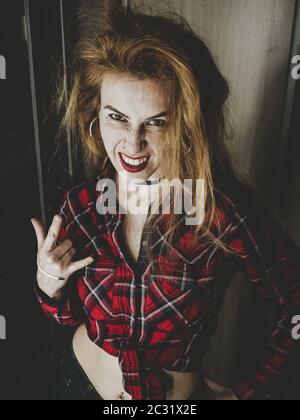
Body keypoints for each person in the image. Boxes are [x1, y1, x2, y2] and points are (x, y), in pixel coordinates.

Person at [31, 4, 300, 401]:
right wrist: (47, 286)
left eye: (156, 121)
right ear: (95, 113)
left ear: (187, 122)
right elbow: (71, 317)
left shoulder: (220, 212)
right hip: (76, 383)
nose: (133, 144)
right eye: (117, 117)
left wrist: (248, 391)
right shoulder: (81, 205)